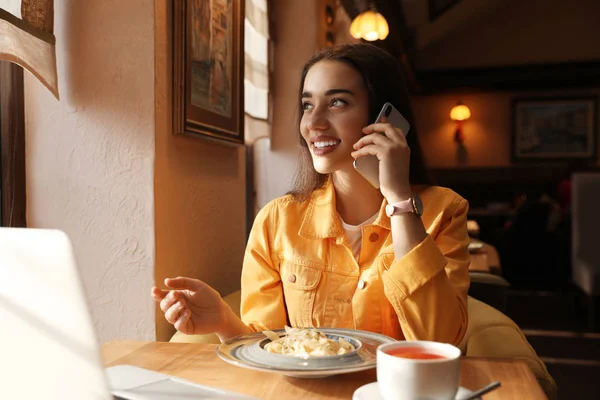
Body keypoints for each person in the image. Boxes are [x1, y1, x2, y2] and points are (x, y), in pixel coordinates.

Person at [152, 43, 470, 345]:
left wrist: (400, 199)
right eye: (307, 105)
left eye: (337, 102)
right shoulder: (277, 220)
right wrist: (223, 320)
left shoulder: (444, 211)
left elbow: (440, 342)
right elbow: (268, 347)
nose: (314, 123)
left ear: (383, 119)